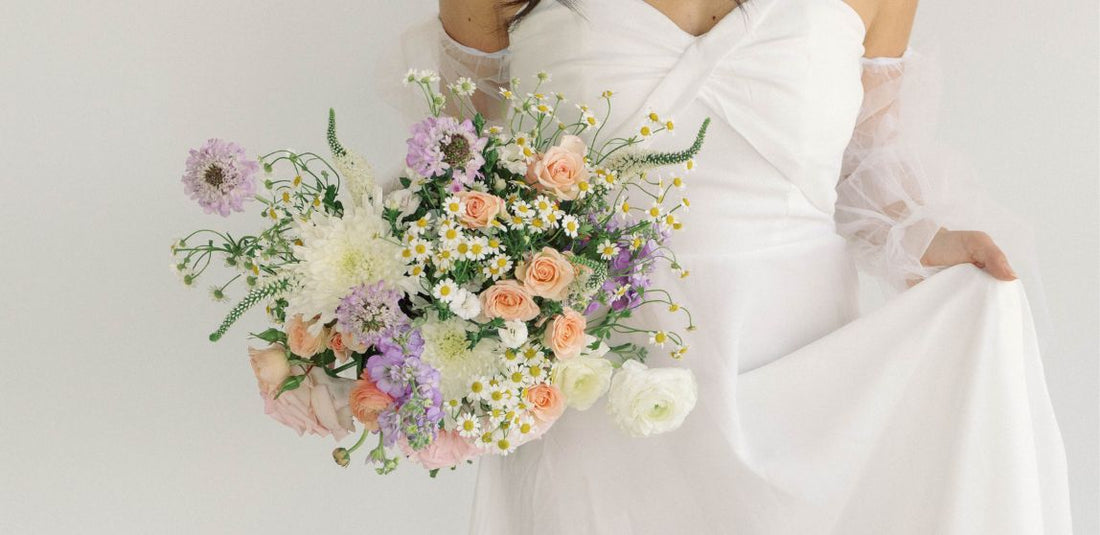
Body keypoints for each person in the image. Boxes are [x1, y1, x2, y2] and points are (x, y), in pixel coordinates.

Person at [417, 0, 1074, 533]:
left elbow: (867, 167)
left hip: (808, 389)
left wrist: (928, 238)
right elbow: (461, 175)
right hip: (599, 379)